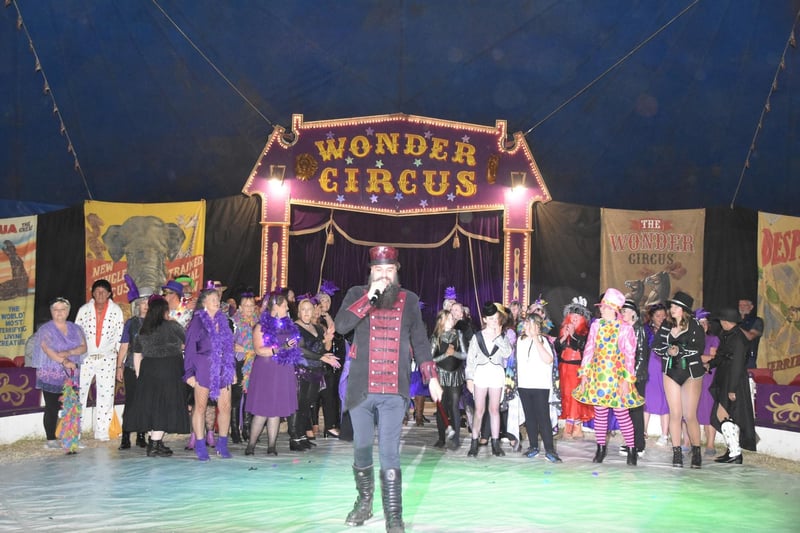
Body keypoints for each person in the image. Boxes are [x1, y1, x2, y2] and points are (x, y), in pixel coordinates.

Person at [335, 245, 442, 533]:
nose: (384, 276)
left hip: (394, 391)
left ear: (397, 273)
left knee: (390, 452)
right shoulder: (357, 294)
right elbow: (342, 325)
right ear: (370, 272)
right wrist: (368, 299)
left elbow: (420, 340)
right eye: (378, 270)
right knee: (361, 449)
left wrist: (431, 376)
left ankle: (394, 515)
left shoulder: (409, 300)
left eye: (389, 271)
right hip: (361, 389)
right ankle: (364, 501)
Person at [573, 288, 643, 466]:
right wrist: (584, 375)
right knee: (600, 413)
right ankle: (601, 448)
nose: (601, 309)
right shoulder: (596, 325)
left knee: (622, 414)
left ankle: (632, 449)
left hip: (617, 378)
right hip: (598, 376)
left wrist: (627, 381)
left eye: (604, 306)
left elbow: (629, 356)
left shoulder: (625, 329)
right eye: (602, 306)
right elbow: (589, 349)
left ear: (613, 309)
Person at [129, 296, 190, 457]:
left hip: (148, 370)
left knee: (152, 407)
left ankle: (156, 441)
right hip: (169, 369)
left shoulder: (143, 330)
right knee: (165, 406)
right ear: (164, 311)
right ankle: (154, 445)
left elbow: (136, 354)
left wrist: (139, 374)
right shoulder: (172, 326)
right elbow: (188, 342)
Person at [652, 291, 706, 468]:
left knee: (689, 415)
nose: (671, 309)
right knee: (675, 414)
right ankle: (677, 453)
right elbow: (656, 346)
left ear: (684, 310)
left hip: (691, 372)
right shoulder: (666, 326)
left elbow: (698, 348)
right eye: (671, 306)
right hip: (670, 371)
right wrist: (668, 351)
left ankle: (696, 452)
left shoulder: (695, 325)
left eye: (675, 306)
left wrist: (679, 351)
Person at [244, 291, 302, 456]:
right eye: (284, 305)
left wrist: (292, 346)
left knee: (276, 410)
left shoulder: (287, 325)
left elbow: (294, 347)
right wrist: (280, 348)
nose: (286, 308)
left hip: (282, 370)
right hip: (266, 371)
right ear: (275, 307)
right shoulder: (261, 326)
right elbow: (259, 350)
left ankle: (272, 446)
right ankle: (251, 445)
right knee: (263, 410)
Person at [183, 288, 237, 461]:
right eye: (212, 298)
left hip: (223, 367)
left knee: (226, 406)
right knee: (200, 407)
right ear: (204, 302)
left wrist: (232, 369)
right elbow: (190, 348)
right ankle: (200, 445)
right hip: (203, 367)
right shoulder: (197, 322)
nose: (216, 300)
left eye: (217, 298)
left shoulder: (225, 322)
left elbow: (230, 348)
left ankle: (222, 444)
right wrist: (189, 373)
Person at [32, 297, 87, 450]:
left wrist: (70, 352)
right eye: (56, 310)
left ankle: (72, 438)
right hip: (51, 373)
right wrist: (64, 361)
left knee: (72, 405)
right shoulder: (46, 330)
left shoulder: (76, 328)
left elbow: (83, 347)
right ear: (51, 312)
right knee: (52, 407)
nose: (59, 313)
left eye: (62, 309)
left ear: (68, 312)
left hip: (71, 373)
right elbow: (47, 350)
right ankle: (51, 439)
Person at [75, 279, 125, 441]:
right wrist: (75, 357)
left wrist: (120, 363)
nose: (100, 294)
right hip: (86, 357)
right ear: (93, 293)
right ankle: (75, 429)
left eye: (104, 291)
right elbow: (76, 334)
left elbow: (120, 337)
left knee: (106, 394)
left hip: (107, 358)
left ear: (110, 294)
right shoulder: (84, 310)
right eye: (97, 291)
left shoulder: (116, 311)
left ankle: (102, 430)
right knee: (79, 392)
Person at [709, 308, 758, 464]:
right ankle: (732, 451)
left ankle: (735, 453)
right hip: (726, 377)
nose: (721, 323)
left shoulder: (738, 338)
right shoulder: (727, 335)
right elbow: (721, 356)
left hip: (733, 380)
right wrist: (709, 365)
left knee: (723, 414)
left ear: (727, 322)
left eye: (723, 321)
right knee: (725, 415)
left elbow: (737, 364)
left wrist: (732, 389)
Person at [292, 296, 340, 450]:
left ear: (314, 311)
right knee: (300, 404)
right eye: (303, 310)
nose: (306, 312)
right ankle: (295, 439)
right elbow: (301, 350)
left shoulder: (318, 328)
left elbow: (323, 349)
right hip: (302, 370)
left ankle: (303, 436)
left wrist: (327, 340)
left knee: (309, 404)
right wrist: (322, 357)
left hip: (316, 371)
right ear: (299, 312)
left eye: (309, 309)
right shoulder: (295, 327)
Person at [465, 302, 512, 458]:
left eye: (495, 318)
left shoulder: (502, 336)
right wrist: (469, 378)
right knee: (479, 410)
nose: (493, 321)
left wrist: (499, 337)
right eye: (490, 319)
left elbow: (507, 354)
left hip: (496, 374)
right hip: (481, 374)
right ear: (484, 319)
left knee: (494, 409)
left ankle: (495, 444)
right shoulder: (477, 336)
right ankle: (473, 442)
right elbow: (470, 359)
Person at [517, 314, 562, 463]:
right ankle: (533, 447)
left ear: (537, 327)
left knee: (543, 418)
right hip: (524, 385)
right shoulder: (520, 341)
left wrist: (536, 338)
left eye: (530, 325)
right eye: (525, 324)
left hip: (540, 386)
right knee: (530, 418)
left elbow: (548, 359)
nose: (526, 328)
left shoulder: (544, 341)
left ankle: (550, 449)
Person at [115, 275, 150, 450]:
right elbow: (124, 346)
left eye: (148, 302)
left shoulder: (156, 323)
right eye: (143, 302)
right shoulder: (131, 323)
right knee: (131, 402)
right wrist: (119, 366)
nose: (146, 305)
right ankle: (126, 436)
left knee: (145, 402)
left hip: (149, 368)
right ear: (137, 305)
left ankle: (142, 435)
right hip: (130, 367)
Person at [554, 296, 594, 440]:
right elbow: (557, 349)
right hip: (564, 367)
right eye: (573, 316)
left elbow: (582, 347)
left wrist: (573, 335)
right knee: (567, 396)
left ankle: (574, 427)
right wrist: (563, 338)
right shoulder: (562, 330)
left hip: (578, 369)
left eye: (578, 317)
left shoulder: (585, 333)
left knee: (576, 398)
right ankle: (570, 426)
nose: (575, 319)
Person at [430, 309, 466, 450]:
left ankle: (456, 438)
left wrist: (454, 353)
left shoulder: (458, 334)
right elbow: (430, 359)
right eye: (449, 318)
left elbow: (465, 355)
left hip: (455, 375)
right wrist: (445, 355)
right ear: (441, 321)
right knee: (442, 408)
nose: (452, 320)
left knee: (454, 407)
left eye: (452, 318)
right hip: (441, 375)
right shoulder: (435, 338)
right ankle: (441, 438)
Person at [619, 299, 649, 458]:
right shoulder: (623, 329)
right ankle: (631, 442)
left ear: (633, 314)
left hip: (636, 377)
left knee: (636, 411)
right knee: (628, 411)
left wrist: (632, 376)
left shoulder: (639, 329)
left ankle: (639, 445)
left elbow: (642, 356)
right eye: (622, 311)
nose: (622, 313)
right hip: (626, 376)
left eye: (625, 311)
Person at [232, 290, 258, 443]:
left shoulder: (258, 322)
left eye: (251, 305)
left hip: (254, 362)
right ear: (240, 308)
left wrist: (249, 349)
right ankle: (235, 430)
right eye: (245, 306)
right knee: (236, 397)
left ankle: (247, 428)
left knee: (250, 396)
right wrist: (237, 346)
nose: (248, 308)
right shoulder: (234, 322)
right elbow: (229, 343)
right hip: (239, 362)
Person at [643, 303, 670, 446]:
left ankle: (665, 435)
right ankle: (643, 431)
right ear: (651, 317)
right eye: (658, 316)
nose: (661, 318)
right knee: (647, 399)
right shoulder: (646, 330)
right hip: (650, 366)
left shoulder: (671, 330)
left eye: (663, 316)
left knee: (665, 400)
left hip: (666, 367)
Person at [695, 308, 720, 457]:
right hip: (693, 377)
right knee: (693, 409)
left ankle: (710, 443)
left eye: (705, 323)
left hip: (709, 377)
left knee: (709, 408)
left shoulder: (713, 339)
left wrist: (696, 357)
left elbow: (712, 357)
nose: (703, 325)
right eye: (700, 323)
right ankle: (693, 442)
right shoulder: (691, 340)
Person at [738, 298, 764, 369]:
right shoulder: (736, 320)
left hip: (749, 357)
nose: (741, 307)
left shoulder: (756, 321)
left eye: (744, 305)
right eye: (740, 305)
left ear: (751, 307)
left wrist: (735, 327)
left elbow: (750, 336)